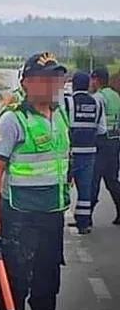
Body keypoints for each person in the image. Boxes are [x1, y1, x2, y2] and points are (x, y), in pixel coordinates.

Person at [0, 52, 69, 310]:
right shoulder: (13, 120)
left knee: (47, 288)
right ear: (27, 83)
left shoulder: (60, 115)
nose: (53, 85)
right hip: (20, 217)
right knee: (15, 285)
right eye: (44, 79)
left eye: (56, 79)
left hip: (53, 214)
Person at [64, 71, 105, 234]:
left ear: (73, 84)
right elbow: (101, 129)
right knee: (85, 190)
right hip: (89, 153)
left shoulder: (68, 102)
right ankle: (83, 224)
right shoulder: (98, 103)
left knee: (62, 187)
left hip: (69, 154)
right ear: (88, 84)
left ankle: (57, 219)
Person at [89, 67, 120, 225]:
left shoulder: (99, 98)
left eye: (92, 79)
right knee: (112, 180)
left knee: (93, 179)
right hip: (115, 141)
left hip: (101, 142)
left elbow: (95, 122)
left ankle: (86, 217)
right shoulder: (116, 96)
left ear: (96, 79)